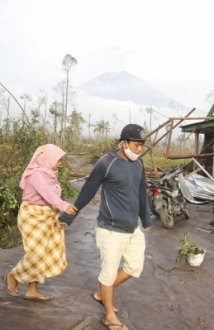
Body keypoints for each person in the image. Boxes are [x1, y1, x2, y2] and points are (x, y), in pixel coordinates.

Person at [59, 124, 152, 330]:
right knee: (108, 273)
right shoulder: (106, 163)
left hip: (132, 228)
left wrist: (145, 219)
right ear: (124, 143)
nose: (139, 150)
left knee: (134, 267)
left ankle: (102, 292)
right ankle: (109, 316)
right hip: (110, 229)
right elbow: (88, 191)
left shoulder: (139, 164)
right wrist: (69, 215)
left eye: (141, 146)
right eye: (136, 145)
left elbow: (141, 193)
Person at [4, 144, 78, 300]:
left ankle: (32, 290)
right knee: (36, 254)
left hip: (47, 214)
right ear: (47, 159)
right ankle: (12, 276)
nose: (61, 164)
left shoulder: (50, 174)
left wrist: (59, 216)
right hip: (32, 215)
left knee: (44, 253)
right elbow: (48, 194)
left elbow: (52, 198)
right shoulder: (37, 175)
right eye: (58, 160)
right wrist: (64, 206)